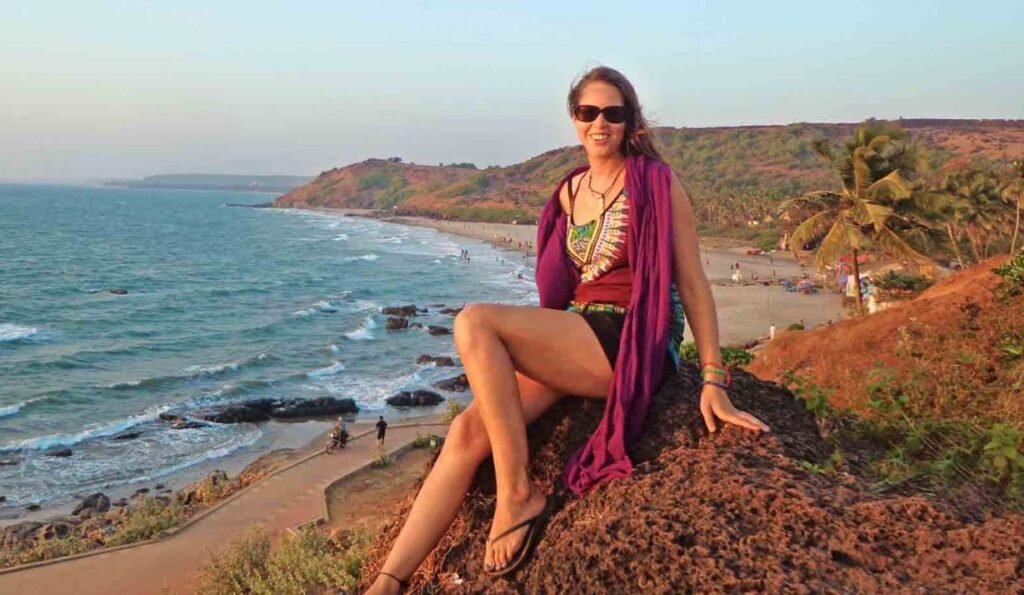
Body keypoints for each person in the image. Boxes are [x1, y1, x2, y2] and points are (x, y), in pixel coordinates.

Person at [365, 66, 769, 594]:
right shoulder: (568, 191)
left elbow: (692, 282)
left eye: (613, 113)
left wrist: (713, 378)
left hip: (633, 337)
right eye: (588, 112)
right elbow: (561, 289)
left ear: (630, 121)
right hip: (576, 332)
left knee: (474, 321)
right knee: (466, 432)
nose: (600, 123)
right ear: (574, 118)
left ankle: (517, 493)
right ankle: (389, 580)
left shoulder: (655, 182)